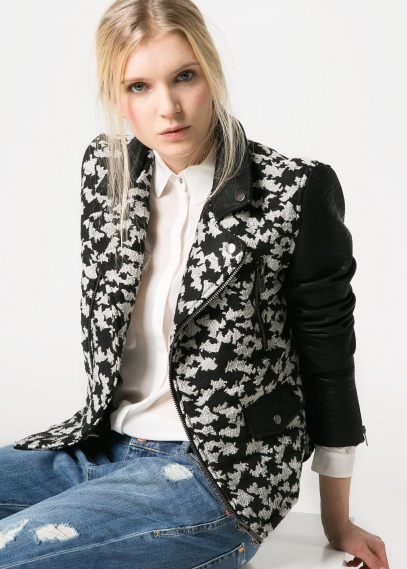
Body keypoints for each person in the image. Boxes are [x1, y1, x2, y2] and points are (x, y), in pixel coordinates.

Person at [0, 1, 389, 568]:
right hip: (100, 447)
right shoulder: (107, 173)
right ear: (117, 98)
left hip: (213, 475)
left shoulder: (292, 192)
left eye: (184, 76)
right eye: (139, 86)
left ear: (211, 71)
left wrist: (337, 520)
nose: (168, 107)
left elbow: (328, 357)